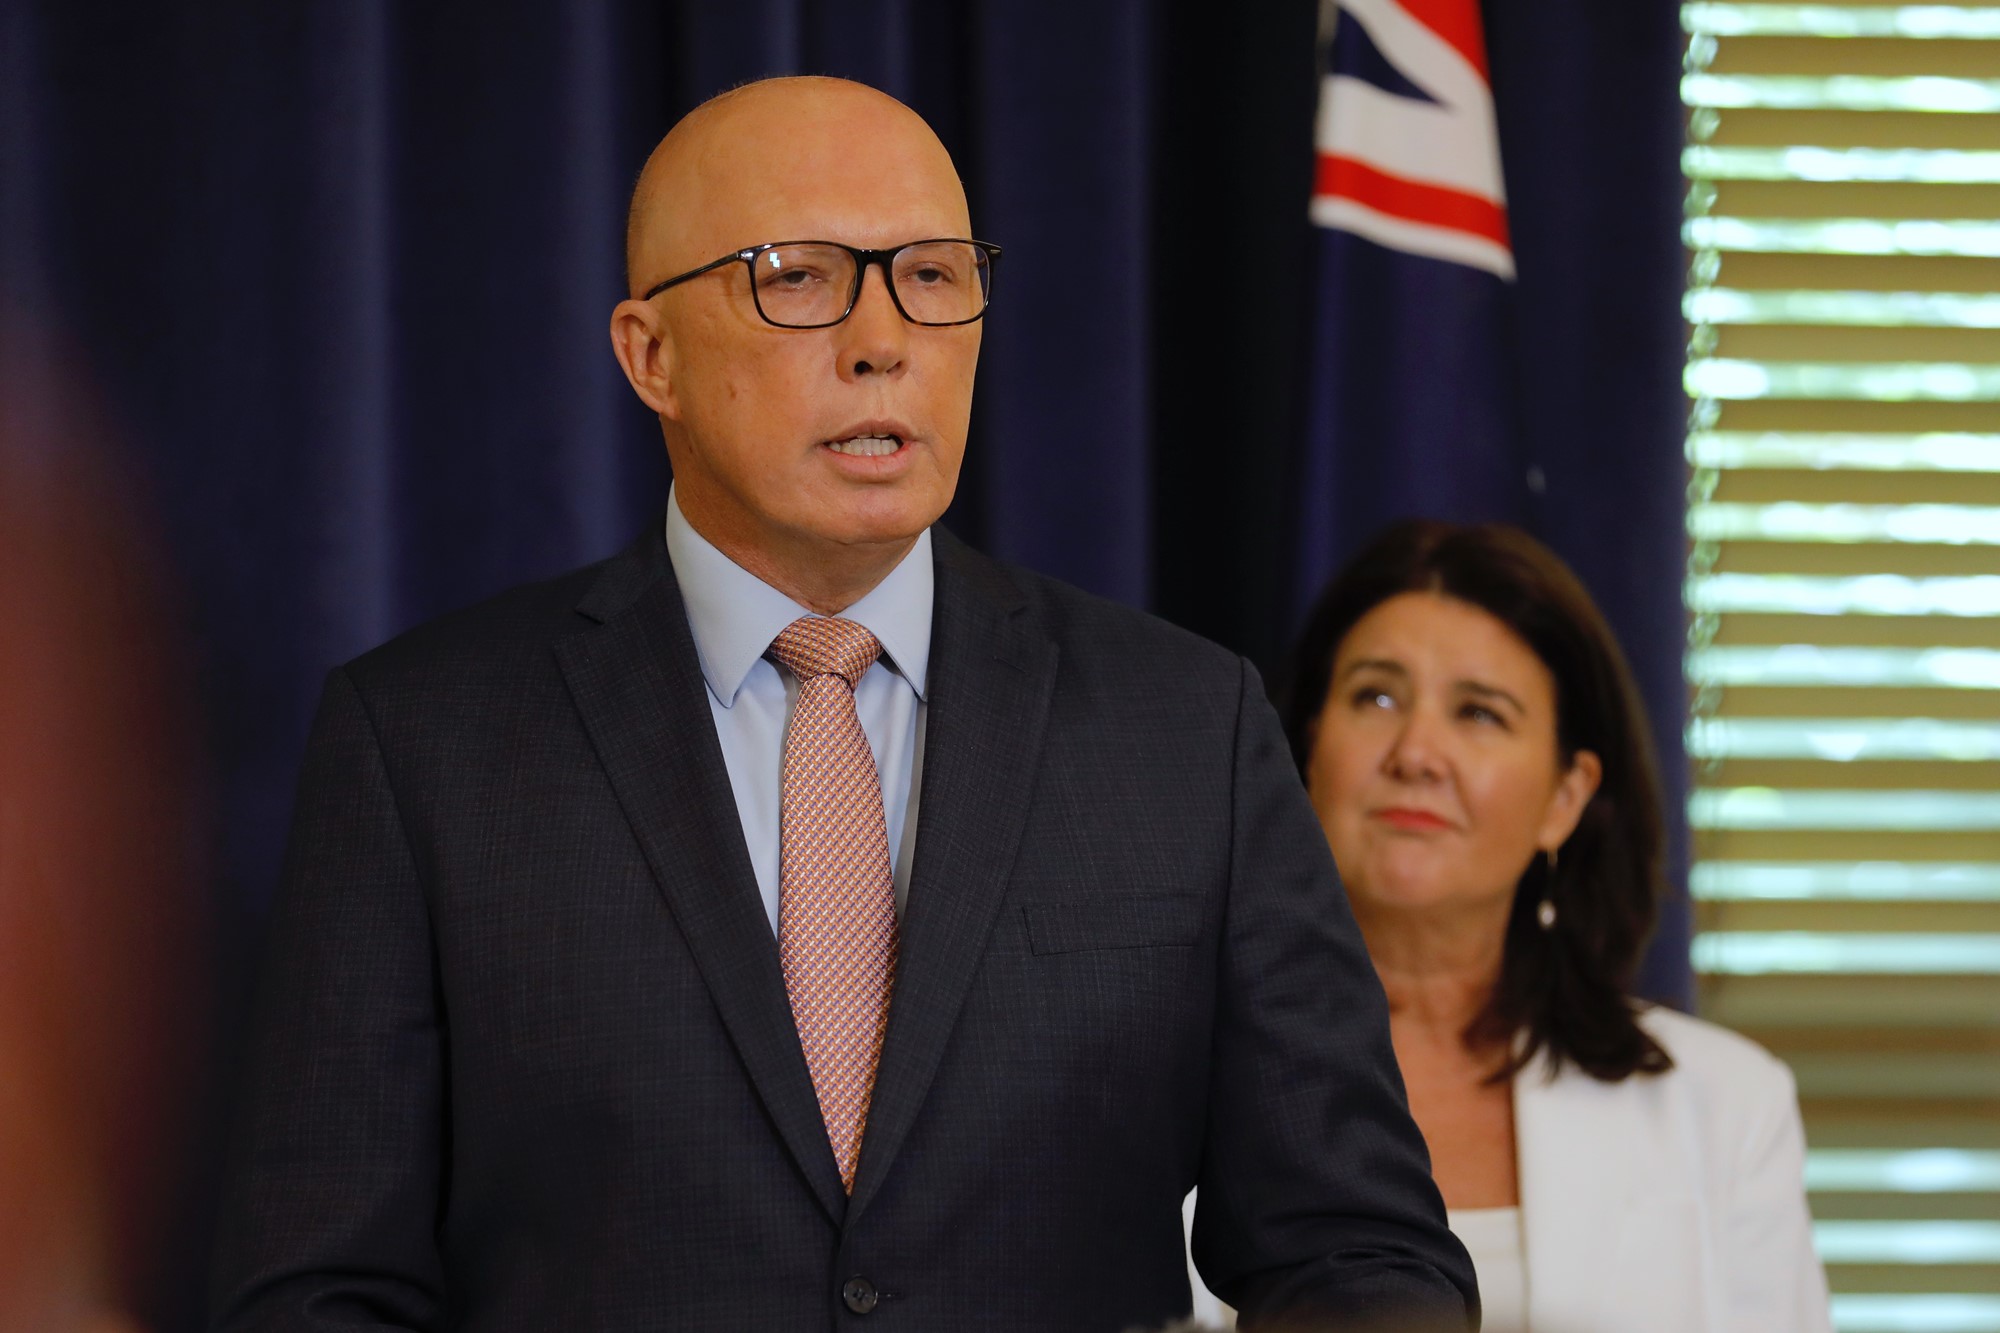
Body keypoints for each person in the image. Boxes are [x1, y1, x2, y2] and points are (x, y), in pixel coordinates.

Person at [209, 78, 1474, 1331]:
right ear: (650, 356)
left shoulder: (1184, 728)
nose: (882, 341)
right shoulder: (422, 744)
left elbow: (1353, 1248)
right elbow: (323, 1286)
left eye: (929, 276)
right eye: (798, 277)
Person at [1276, 519, 1832, 1333]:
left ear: (1565, 797)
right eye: (1377, 695)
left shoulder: (1726, 1105)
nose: (1418, 751)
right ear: (1306, 753)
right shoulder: (1159, 1070)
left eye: (1480, 713)